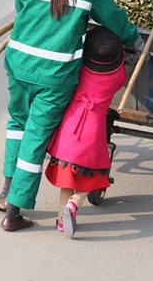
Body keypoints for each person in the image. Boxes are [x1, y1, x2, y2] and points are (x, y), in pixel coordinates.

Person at [0, 0, 145, 232]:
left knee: (17, 122)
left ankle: (5, 189)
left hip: (18, 62)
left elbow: (23, 13)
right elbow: (113, 20)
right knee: (35, 136)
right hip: (55, 75)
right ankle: (13, 211)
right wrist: (134, 39)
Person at [45, 26, 126, 238]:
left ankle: (62, 221)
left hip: (69, 131)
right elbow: (123, 75)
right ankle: (75, 203)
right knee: (93, 177)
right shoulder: (116, 77)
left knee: (66, 178)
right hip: (91, 134)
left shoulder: (78, 69)